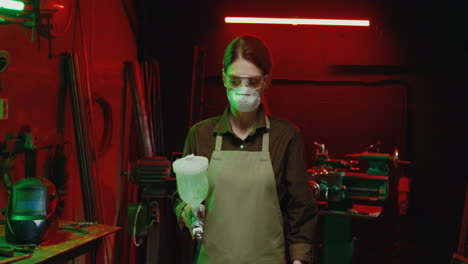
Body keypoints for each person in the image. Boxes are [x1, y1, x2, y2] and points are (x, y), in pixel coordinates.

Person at [173, 35, 318, 264]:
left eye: (252, 82)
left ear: (266, 81)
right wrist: (187, 213)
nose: (243, 90)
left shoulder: (286, 137)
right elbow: (181, 195)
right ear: (223, 78)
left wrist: (300, 260)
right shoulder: (200, 135)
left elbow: (300, 208)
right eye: (235, 81)